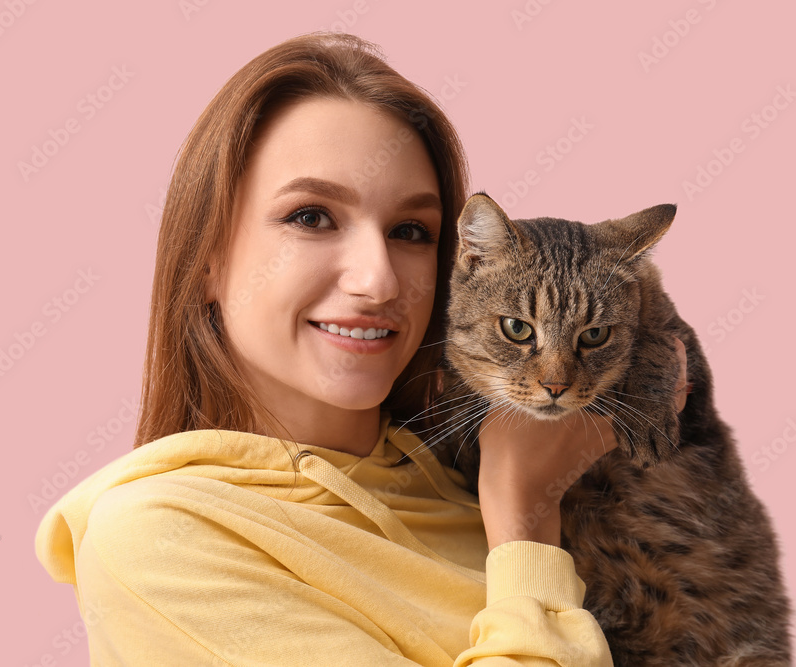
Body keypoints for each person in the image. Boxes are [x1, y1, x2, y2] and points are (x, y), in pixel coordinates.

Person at [35, 32, 689, 666]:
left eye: (410, 230)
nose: (377, 280)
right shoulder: (161, 537)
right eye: (312, 217)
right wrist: (523, 521)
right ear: (208, 256)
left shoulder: (474, 468)